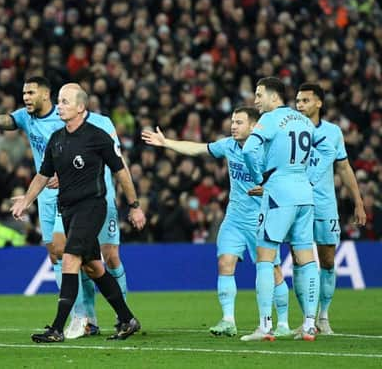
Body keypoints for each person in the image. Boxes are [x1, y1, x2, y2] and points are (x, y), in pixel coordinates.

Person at [0, 77, 130, 338]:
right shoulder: (27, 119)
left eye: (30, 92)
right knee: (61, 256)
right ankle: (95, 318)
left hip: (76, 195)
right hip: (45, 196)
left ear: (46, 95)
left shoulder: (80, 123)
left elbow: (98, 157)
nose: (25, 97)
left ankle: (82, 318)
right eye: (23, 92)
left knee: (70, 251)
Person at [10, 83, 146, 343]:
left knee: (70, 259)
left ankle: (58, 328)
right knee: (94, 267)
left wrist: (135, 205)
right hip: (68, 209)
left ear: (81, 108)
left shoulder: (97, 136)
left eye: (65, 102)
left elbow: (121, 171)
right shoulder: (57, 139)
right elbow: (42, 175)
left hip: (92, 207)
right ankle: (127, 319)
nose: (59, 106)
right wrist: (26, 200)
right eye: (59, 101)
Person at [142, 107, 292, 337]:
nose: (233, 126)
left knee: (274, 272)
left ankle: (283, 323)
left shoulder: (267, 149)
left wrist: (268, 190)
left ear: (254, 127)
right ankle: (228, 320)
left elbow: (285, 179)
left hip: (261, 219)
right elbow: (198, 149)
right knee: (225, 263)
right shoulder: (228, 145)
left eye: (239, 122)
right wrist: (166, 143)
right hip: (234, 218)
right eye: (233, 121)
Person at [239, 77, 335, 342]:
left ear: (274, 97)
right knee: (306, 258)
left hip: (279, 193)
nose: (256, 100)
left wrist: (260, 176)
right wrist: (311, 176)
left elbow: (248, 149)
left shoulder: (269, 120)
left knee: (265, 257)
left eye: (259, 95)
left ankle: (265, 326)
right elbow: (327, 149)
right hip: (305, 194)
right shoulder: (304, 120)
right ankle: (308, 325)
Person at [293, 82, 367, 334]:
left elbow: (344, 168)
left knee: (326, 260)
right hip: (296, 204)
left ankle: (323, 316)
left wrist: (358, 201)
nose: (300, 105)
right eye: (298, 101)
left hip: (324, 204)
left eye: (305, 100)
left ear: (318, 103)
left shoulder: (333, 132)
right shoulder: (289, 131)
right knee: (299, 260)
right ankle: (307, 319)